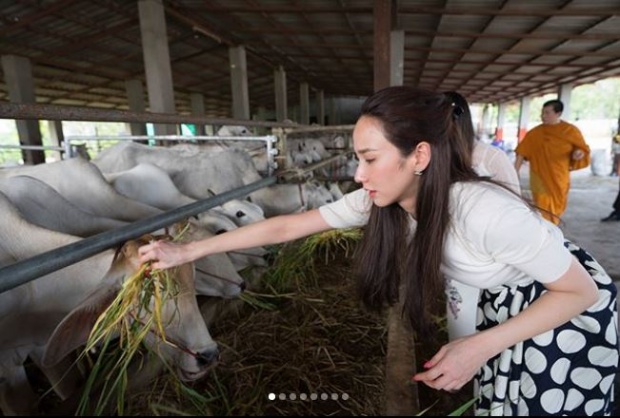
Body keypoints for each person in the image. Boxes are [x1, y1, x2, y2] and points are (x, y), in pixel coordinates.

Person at [138, 86, 618, 416]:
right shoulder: (387, 200)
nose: (357, 174)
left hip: (563, 312)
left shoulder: (483, 210)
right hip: (505, 305)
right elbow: (288, 225)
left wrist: (481, 343)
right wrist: (189, 252)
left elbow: (578, 291)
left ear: (419, 157)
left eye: (369, 159)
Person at [443, 91, 521, 341]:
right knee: (460, 315)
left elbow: (515, 204)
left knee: (493, 314)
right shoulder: (433, 157)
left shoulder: (490, 157)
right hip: (453, 252)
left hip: (492, 252)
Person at [514, 99, 590, 225]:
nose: (543, 116)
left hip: (559, 178)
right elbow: (521, 152)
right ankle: (546, 230)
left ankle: (552, 227)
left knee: (557, 207)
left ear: (558, 113)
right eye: (542, 113)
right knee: (542, 207)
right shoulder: (535, 133)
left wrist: (578, 154)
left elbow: (581, 149)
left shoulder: (570, 131)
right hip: (539, 176)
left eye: (547, 113)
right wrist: (514, 172)